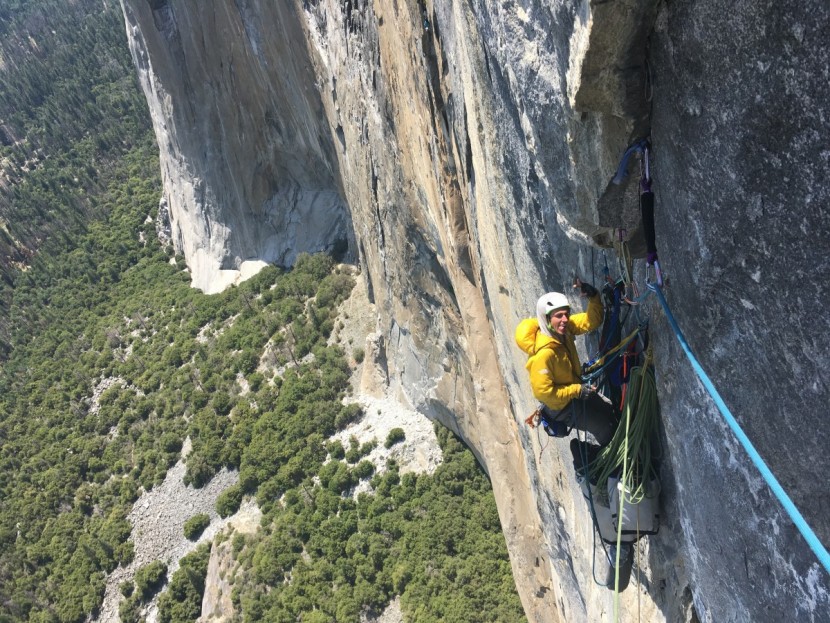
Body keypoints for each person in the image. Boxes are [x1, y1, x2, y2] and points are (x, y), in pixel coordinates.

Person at [514, 279, 617, 447]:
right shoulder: (544, 355)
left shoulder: (564, 330)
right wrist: (577, 390)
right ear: (546, 319)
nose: (564, 319)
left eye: (566, 314)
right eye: (558, 316)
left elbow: (591, 321)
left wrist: (593, 297)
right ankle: (619, 457)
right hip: (562, 407)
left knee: (608, 408)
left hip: (576, 390)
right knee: (603, 427)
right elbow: (544, 393)